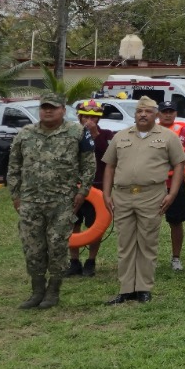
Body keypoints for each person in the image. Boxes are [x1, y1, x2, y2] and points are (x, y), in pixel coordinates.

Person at [7, 94, 92, 310]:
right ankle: (37, 291)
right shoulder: (25, 134)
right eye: (44, 107)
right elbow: (14, 166)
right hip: (31, 202)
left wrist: (82, 192)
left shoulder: (77, 133)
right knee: (33, 248)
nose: (48, 111)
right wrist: (16, 195)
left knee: (57, 246)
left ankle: (53, 290)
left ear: (63, 110)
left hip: (62, 202)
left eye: (53, 108)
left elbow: (89, 165)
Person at [101, 97, 185, 304]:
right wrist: (106, 193)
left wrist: (172, 193)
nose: (143, 114)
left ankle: (143, 288)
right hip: (122, 195)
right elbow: (110, 166)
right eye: (140, 111)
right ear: (135, 114)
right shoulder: (120, 136)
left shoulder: (168, 137)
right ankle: (126, 289)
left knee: (147, 242)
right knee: (125, 242)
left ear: (155, 115)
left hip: (151, 195)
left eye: (148, 111)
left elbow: (179, 165)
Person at [67, 99, 111, 277]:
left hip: (98, 189)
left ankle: (91, 261)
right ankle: (74, 261)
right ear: (79, 116)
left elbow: (109, 157)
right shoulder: (71, 135)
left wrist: (95, 136)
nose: (89, 120)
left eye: (93, 117)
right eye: (85, 116)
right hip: (74, 188)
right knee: (72, 224)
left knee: (96, 226)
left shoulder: (107, 134)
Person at [157, 103, 185, 272]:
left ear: (175, 113)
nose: (168, 115)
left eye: (171, 112)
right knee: (147, 222)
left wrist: (180, 172)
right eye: (164, 112)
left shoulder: (184, 133)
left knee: (176, 221)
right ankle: (147, 257)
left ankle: (176, 258)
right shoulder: (151, 131)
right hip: (152, 185)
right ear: (158, 114)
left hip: (175, 185)